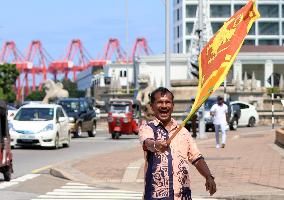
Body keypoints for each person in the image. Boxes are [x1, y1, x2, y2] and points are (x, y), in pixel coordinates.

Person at [139, 87, 216, 200]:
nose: (164, 106)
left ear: (172, 105)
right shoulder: (147, 128)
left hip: (182, 196)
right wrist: (156, 145)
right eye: (160, 102)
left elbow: (196, 157)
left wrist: (208, 176)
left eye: (167, 102)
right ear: (152, 106)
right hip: (156, 196)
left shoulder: (183, 132)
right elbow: (147, 143)